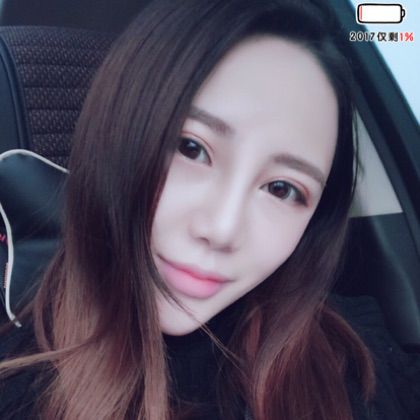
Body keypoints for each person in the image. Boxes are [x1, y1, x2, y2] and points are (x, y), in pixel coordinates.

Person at [0, 0, 419, 419]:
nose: (222, 229)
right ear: (117, 133)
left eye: (282, 189)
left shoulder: (356, 359)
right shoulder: (19, 385)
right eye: (191, 148)